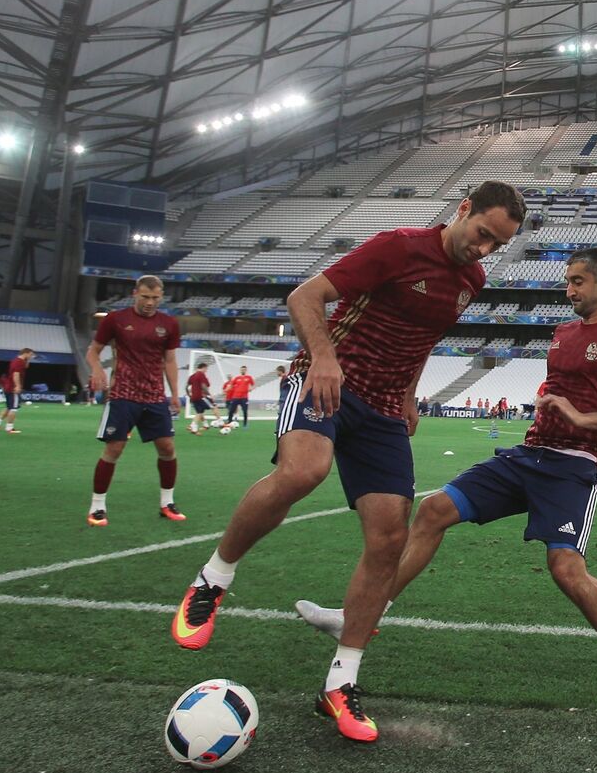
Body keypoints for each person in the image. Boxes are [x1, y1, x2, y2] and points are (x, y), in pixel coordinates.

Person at [170, 182, 526, 743]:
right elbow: (305, 297)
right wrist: (326, 359)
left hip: (384, 410)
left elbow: (422, 338)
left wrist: (409, 393)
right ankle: (213, 579)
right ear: (464, 211)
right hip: (326, 384)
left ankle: (339, 686)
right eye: (483, 235)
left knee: (389, 539)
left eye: (496, 245)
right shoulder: (397, 246)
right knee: (303, 472)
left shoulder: (471, 281)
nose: (484, 251)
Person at [296, 247, 597, 715]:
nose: (568, 290)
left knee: (566, 568)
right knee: (432, 511)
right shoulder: (564, 332)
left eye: (577, 282)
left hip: (573, 464)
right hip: (528, 454)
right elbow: (563, 389)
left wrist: (583, 419)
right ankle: (363, 616)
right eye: (567, 281)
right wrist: (550, 399)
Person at [84, 275, 185, 526]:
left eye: (155, 298)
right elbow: (93, 351)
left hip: (154, 395)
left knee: (167, 449)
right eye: (145, 297)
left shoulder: (169, 324)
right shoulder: (115, 320)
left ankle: (167, 503)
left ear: (161, 297)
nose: (150, 302)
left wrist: (174, 393)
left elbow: (169, 360)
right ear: (134, 294)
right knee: (114, 449)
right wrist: (96, 369)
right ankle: (97, 506)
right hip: (123, 394)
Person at [0, 347, 35, 433]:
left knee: (9, 407)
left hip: (8, 387)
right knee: (14, 408)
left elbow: (26, 366)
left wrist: (28, 359)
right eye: (30, 355)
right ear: (25, 353)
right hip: (12, 388)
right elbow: (16, 374)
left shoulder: (18, 361)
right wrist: (17, 386)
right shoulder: (19, 362)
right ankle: (9, 428)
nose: (31, 356)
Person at [185, 360, 214, 434]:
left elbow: (186, 387)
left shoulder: (192, 376)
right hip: (200, 396)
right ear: (203, 368)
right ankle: (220, 422)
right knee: (213, 406)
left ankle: (202, 425)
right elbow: (203, 385)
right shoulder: (201, 374)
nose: (206, 371)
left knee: (200, 411)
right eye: (206, 369)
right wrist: (209, 394)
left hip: (193, 397)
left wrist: (189, 395)